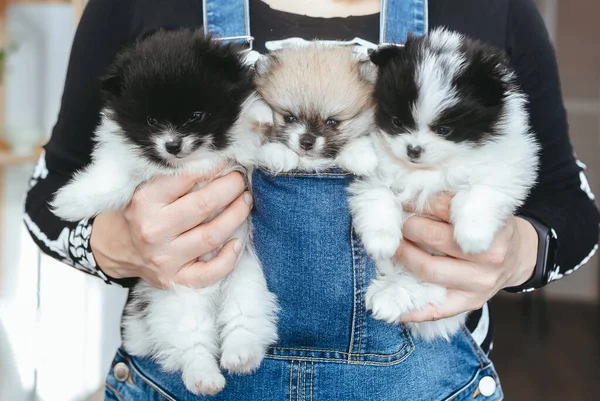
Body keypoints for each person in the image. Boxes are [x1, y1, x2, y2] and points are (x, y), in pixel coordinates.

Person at [24, 0, 599, 400]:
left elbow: (569, 205)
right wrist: (113, 243)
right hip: (193, 369)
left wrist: (518, 252)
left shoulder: (491, 9)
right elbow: (48, 197)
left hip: (426, 383)